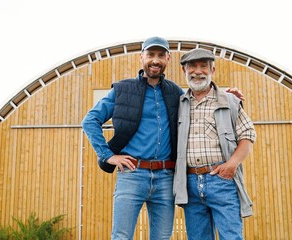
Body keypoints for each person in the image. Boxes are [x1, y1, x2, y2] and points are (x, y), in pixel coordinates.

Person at [82, 37, 245, 239]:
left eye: (161, 55)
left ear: (168, 58)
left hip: (166, 178)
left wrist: (226, 94)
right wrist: (108, 156)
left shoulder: (176, 93)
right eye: (150, 55)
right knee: (121, 236)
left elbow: (200, 94)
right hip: (132, 174)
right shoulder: (121, 90)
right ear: (141, 57)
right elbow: (90, 121)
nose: (155, 60)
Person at [173, 48, 256, 240]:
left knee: (231, 237)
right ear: (184, 71)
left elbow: (248, 135)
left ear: (213, 70)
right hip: (191, 184)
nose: (198, 71)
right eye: (192, 66)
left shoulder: (230, 101)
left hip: (222, 180)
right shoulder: (178, 104)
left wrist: (231, 165)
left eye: (204, 66)